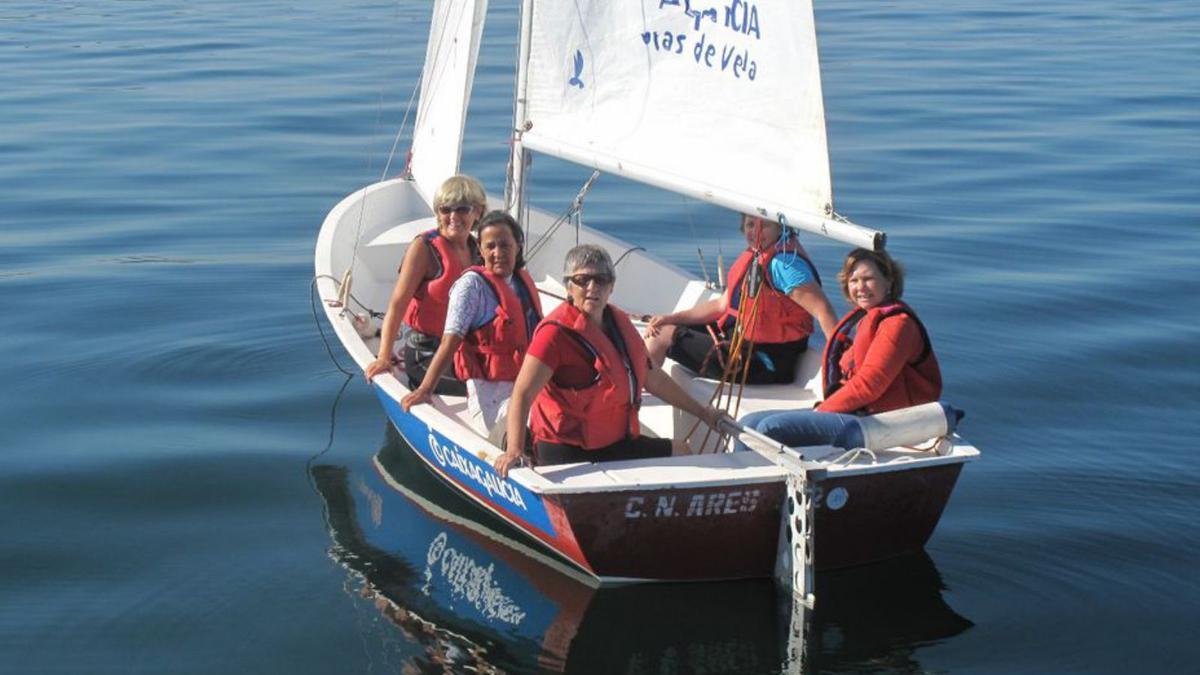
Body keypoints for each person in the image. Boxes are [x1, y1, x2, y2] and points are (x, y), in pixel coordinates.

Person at [495, 244, 728, 477]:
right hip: (567, 449)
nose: (592, 287)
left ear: (612, 286)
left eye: (601, 279)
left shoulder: (619, 323)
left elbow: (652, 377)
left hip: (615, 444)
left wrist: (703, 412)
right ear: (568, 286)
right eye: (582, 280)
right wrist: (514, 450)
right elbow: (522, 393)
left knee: (682, 451)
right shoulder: (554, 335)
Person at [735, 248, 942, 450]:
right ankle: (745, 483)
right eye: (854, 281)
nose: (860, 287)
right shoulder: (866, 317)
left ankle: (759, 482)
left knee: (769, 429)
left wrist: (821, 412)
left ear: (889, 281)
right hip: (859, 412)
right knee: (748, 423)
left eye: (868, 278)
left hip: (883, 423)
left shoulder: (897, 324)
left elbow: (869, 385)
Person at [644, 214, 837, 384]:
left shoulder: (784, 266)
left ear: (781, 227)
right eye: (750, 225)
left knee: (662, 337)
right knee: (661, 328)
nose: (756, 231)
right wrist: (672, 318)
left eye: (766, 225)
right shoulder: (757, 254)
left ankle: (634, 399)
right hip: (740, 343)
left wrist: (838, 362)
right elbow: (722, 305)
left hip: (763, 363)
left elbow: (823, 311)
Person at [399, 211, 543, 438]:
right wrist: (425, 390)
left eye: (505, 245)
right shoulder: (471, 287)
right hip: (494, 400)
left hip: (526, 385)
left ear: (519, 245)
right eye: (490, 246)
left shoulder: (520, 282)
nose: (498, 253)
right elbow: (449, 342)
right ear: (480, 249)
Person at [364, 175, 486, 395]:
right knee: (488, 386)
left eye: (462, 209)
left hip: (466, 348)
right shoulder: (424, 249)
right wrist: (384, 357)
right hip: (426, 353)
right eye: (445, 209)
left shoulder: (478, 248)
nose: (453, 216)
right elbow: (398, 304)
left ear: (477, 212)